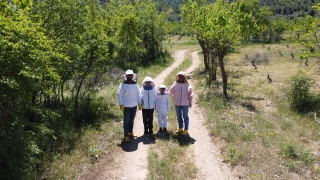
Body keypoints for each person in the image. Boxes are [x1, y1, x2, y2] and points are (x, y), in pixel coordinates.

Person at [118, 69, 142, 142]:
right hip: (126, 106)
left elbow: (138, 93)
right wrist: (121, 104)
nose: (130, 76)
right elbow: (119, 94)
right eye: (128, 75)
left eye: (131, 75)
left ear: (133, 76)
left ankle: (130, 132)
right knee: (126, 121)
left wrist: (139, 103)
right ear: (126, 76)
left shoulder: (135, 84)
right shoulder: (122, 85)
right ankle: (125, 135)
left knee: (131, 120)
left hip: (134, 105)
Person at [169, 71, 193, 135]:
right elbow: (170, 91)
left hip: (185, 104)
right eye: (179, 76)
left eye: (182, 76)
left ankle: (186, 129)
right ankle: (180, 128)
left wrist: (190, 102)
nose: (180, 78)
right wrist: (165, 97)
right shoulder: (176, 84)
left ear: (184, 77)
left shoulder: (187, 85)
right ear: (177, 77)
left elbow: (190, 94)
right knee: (179, 116)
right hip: (177, 103)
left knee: (185, 116)